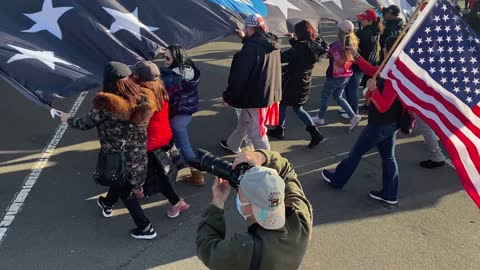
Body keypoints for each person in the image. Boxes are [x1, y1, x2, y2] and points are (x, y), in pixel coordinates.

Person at [61, 62, 157, 239]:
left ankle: (146, 228)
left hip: (116, 157)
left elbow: (84, 124)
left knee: (126, 191)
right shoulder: (143, 98)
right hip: (138, 156)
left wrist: (67, 119)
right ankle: (106, 203)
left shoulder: (105, 105)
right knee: (120, 184)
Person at [196, 150, 312, 270]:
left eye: (239, 188)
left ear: (250, 207)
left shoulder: (245, 249)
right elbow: (288, 172)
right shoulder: (300, 219)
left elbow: (205, 247)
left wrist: (217, 202)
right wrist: (262, 157)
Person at [321, 38, 403, 204]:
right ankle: (390, 193)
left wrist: (372, 91)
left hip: (381, 122)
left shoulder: (394, 73)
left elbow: (383, 105)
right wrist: (356, 55)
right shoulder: (393, 67)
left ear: (390, 50)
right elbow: (373, 70)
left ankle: (337, 179)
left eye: (386, 48)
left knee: (356, 152)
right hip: (391, 122)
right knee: (388, 157)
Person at [130, 60, 191, 218]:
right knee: (160, 172)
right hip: (164, 135)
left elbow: (136, 118)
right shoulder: (159, 87)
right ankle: (139, 190)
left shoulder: (143, 95)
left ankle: (177, 203)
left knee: (158, 177)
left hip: (151, 141)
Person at [220, 14, 282, 153]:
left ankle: (269, 161)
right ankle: (232, 144)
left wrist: (228, 97)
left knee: (257, 131)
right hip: (269, 92)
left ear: (249, 28)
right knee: (245, 120)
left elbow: (239, 77)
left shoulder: (251, 49)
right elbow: (257, 49)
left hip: (256, 96)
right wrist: (244, 38)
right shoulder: (271, 42)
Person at [267, 20, 326, 148]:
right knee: (296, 107)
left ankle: (282, 129)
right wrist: (294, 41)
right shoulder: (315, 45)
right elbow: (305, 49)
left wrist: (278, 44)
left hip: (293, 81)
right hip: (305, 81)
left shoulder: (300, 48)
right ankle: (312, 132)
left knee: (285, 104)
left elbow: (285, 57)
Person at [161, 44, 205, 185]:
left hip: (176, 116)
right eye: (163, 56)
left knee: (184, 147)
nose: (164, 60)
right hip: (187, 113)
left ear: (176, 59)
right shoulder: (191, 71)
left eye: (167, 58)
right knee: (176, 143)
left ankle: (197, 175)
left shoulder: (172, 78)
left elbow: (164, 95)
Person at [311, 20, 362, 131]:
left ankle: (320, 117)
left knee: (325, 96)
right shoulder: (353, 42)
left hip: (335, 76)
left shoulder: (335, 45)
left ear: (340, 31)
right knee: (338, 96)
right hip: (346, 75)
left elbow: (328, 55)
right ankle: (353, 116)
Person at [342, 9, 383, 119]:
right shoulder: (375, 30)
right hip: (367, 63)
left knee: (352, 87)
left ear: (369, 20)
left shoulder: (365, 32)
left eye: (362, 19)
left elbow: (363, 49)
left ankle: (353, 112)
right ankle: (349, 107)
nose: (360, 20)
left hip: (359, 63)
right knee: (351, 86)